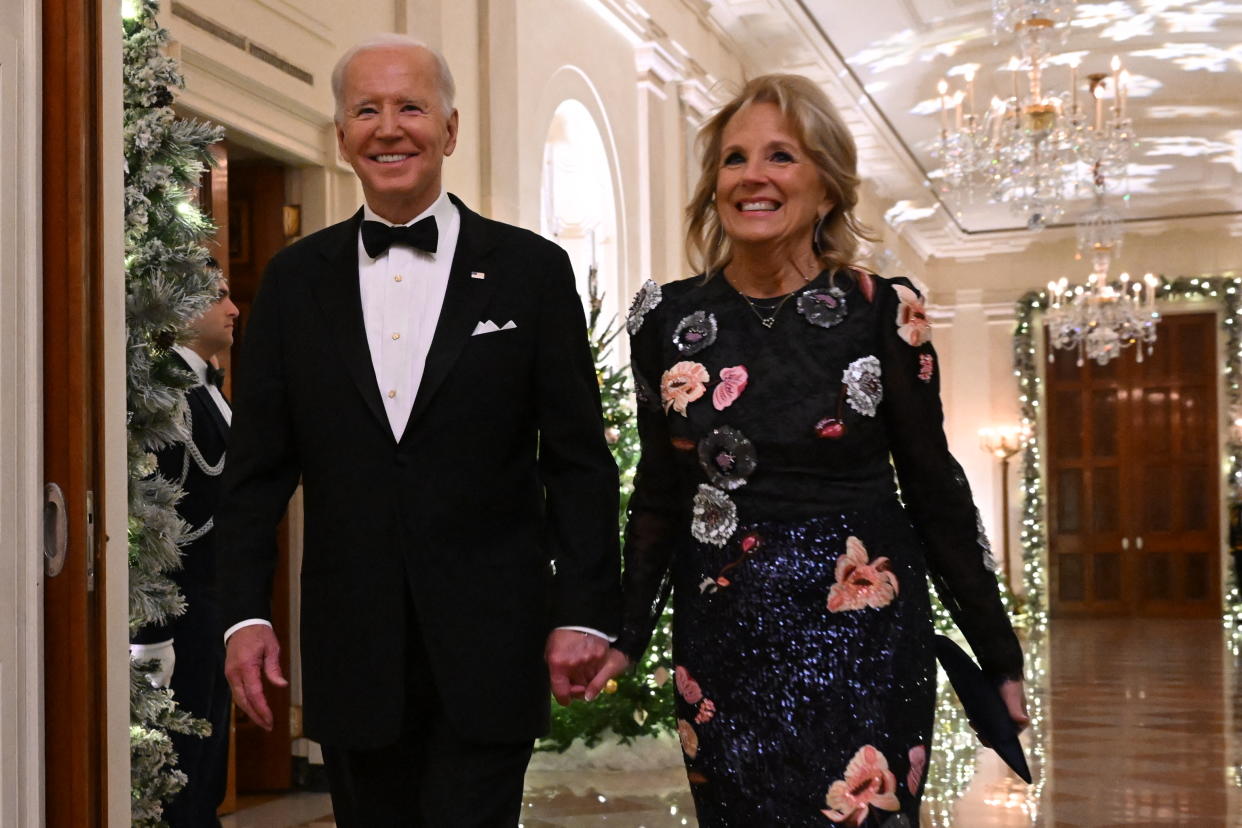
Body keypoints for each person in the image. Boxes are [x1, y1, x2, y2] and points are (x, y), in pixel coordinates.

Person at [595, 74, 1028, 826]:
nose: (753, 176)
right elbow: (661, 494)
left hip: (863, 630)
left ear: (826, 187)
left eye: (781, 156)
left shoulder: (884, 312)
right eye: (734, 159)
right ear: (714, 186)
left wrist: (1000, 656)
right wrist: (627, 636)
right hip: (723, 634)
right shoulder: (664, 318)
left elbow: (934, 488)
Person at [213, 34, 621, 827]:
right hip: (351, 647)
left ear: (451, 129)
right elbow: (256, 471)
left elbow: (576, 461)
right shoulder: (295, 281)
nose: (389, 127)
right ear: (341, 137)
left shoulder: (530, 272)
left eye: (411, 107)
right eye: (366, 109)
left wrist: (584, 608)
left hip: (492, 646)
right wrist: (244, 614)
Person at [131, 273, 239, 827]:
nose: (234, 309)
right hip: (181, 596)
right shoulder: (166, 390)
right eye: (219, 296)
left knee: (209, 744)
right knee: (185, 749)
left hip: (212, 592)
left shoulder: (204, 387)